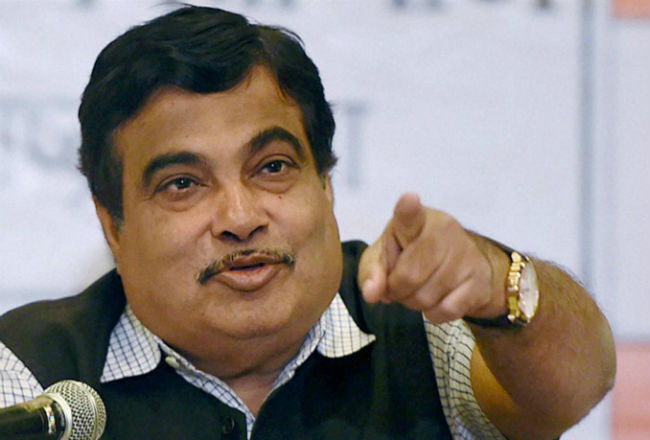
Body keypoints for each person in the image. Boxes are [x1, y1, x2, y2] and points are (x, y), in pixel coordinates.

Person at [0, 5, 615, 440]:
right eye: (183, 184)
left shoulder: (420, 324)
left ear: (325, 182)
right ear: (112, 222)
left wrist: (495, 283)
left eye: (272, 167)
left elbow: (576, 386)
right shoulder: (30, 379)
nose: (240, 219)